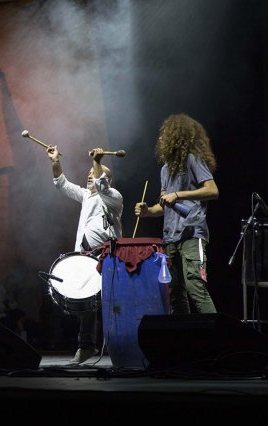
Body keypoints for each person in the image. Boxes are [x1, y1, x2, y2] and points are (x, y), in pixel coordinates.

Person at [134, 113, 218, 315]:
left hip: (191, 233)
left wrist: (178, 194)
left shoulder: (192, 160)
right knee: (174, 292)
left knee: (195, 286)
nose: (161, 138)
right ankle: (185, 333)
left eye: (165, 133)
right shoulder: (165, 169)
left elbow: (212, 191)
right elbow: (164, 205)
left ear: (177, 136)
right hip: (171, 237)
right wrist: (147, 211)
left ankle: (218, 332)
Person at [47, 145, 123, 364]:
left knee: (112, 302)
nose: (90, 175)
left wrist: (97, 162)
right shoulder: (86, 196)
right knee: (88, 303)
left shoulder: (113, 197)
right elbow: (61, 183)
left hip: (108, 256)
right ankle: (86, 347)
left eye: (95, 173)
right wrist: (55, 161)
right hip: (86, 256)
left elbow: (102, 186)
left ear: (108, 179)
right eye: (89, 172)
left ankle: (120, 346)